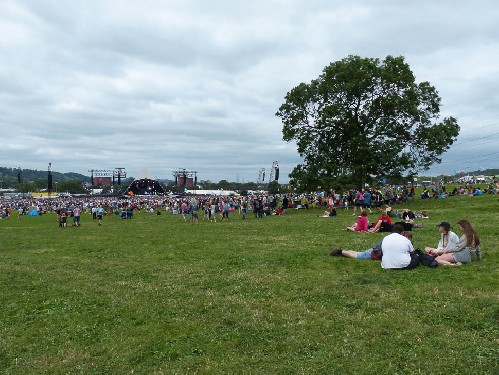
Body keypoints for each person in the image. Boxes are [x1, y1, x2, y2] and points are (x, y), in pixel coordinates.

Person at [330, 230, 413, 260]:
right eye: (409, 238)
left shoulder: (395, 239)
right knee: (356, 255)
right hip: (373, 253)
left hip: (373, 251)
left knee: (358, 253)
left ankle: (344, 251)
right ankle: (341, 251)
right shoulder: (398, 241)